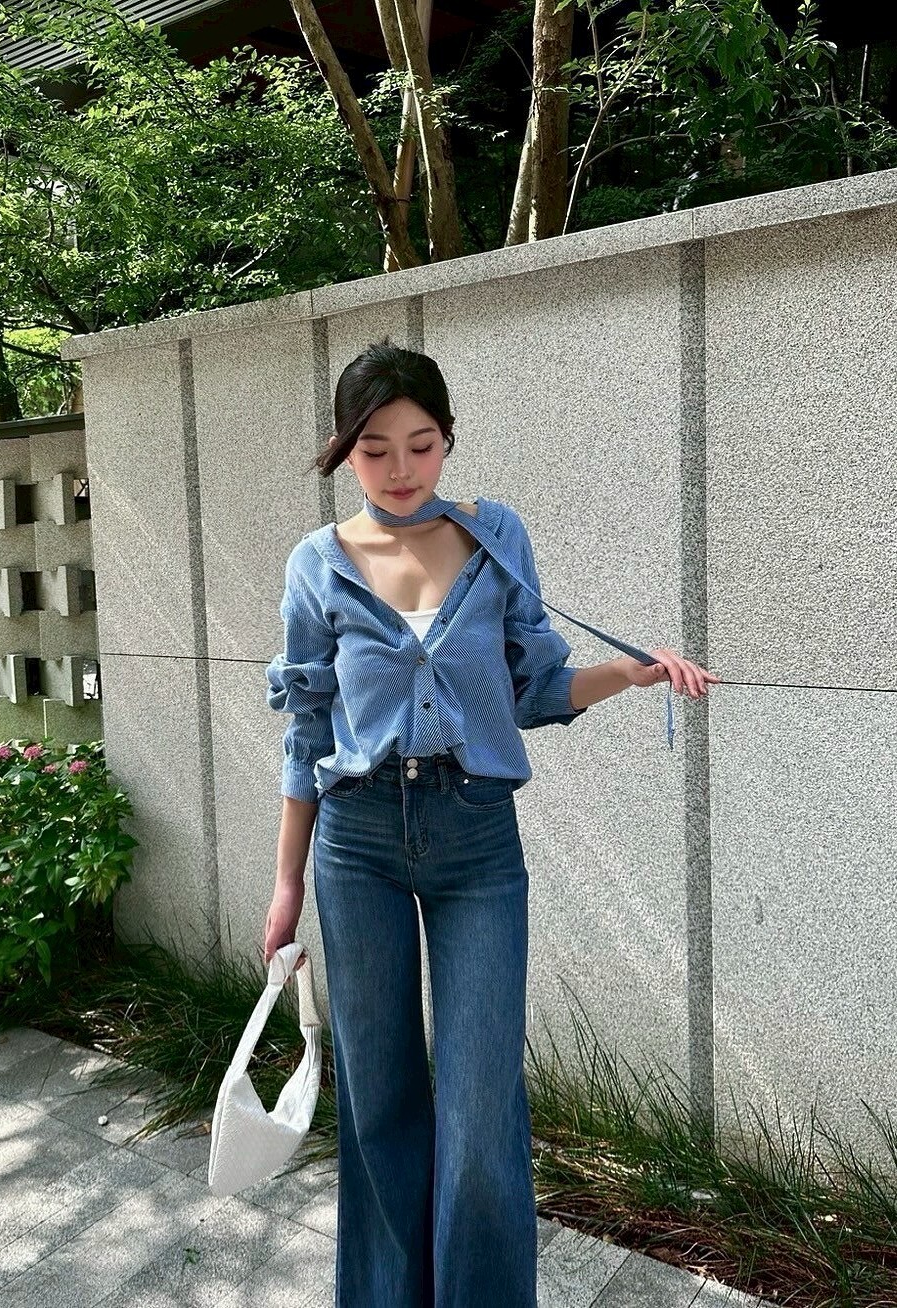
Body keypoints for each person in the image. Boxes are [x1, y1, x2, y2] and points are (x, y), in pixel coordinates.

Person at [263, 340, 719, 1308]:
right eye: (374, 449)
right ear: (344, 450)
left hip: (475, 840)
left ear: (447, 440)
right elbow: (306, 733)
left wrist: (630, 673)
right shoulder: (316, 564)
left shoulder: (494, 536)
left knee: (478, 1117)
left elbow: (533, 689)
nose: (400, 469)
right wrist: (286, 884)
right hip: (356, 842)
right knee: (380, 1103)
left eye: (420, 444)